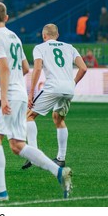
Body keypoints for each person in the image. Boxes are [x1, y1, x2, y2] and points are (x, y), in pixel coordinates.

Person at [0, 2, 73, 202]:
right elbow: (25, 68)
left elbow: (3, 68)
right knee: (17, 145)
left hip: (9, 94)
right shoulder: (15, 37)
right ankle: (58, 171)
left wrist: (2, 94)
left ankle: (0, 192)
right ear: (7, 17)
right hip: (19, 93)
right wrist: (7, 84)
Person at [22, 24, 87, 171]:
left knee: (28, 116)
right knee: (59, 119)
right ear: (57, 35)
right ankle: (61, 158)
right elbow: (83, 68)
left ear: (44, 36)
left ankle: (34, 155)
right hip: (68, 88)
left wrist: (31, 92)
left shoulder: (40, 47)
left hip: (53, 86)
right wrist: (73, 83)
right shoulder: (70, 47)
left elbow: (37, 69)